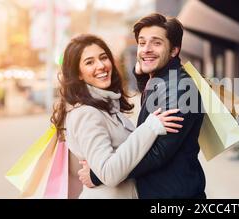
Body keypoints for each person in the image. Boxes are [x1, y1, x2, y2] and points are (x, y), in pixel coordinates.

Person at [79, 13, 207, 198]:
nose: (146, 49)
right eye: (142, 42)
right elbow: (153, 103)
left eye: (156, 43)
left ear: (174, 50)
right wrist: (141, 76)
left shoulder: (180, 90)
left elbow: (158, 153)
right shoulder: (162, 80)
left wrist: (99, 175)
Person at [50, 34, 184, 198]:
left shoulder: (105, 107)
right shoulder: (86, 113)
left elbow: (124, 158)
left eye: (103, 57)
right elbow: (108, 172)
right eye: (89, 62)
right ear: (78, 74)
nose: (101, 66)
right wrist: (150, 128)